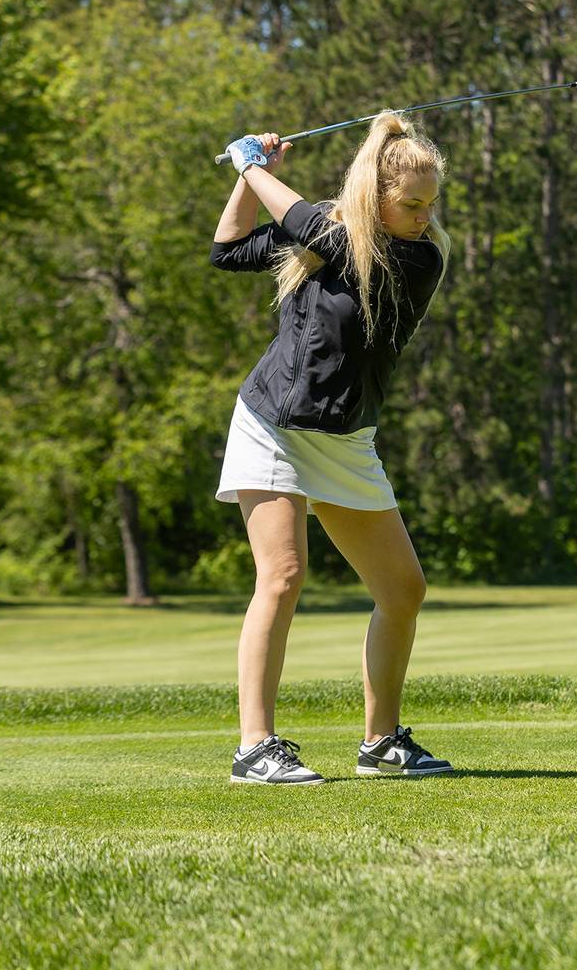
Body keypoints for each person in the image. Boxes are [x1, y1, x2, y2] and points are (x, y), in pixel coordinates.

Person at [209, 114, 455, 786]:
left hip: (347, 439)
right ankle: (254, 747)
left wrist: (251, 168)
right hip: (274, 423)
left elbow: (316, 234)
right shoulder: (328, 229)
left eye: (431, 204)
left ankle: (381, 741)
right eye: (411, 204)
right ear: (375, 196)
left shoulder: (418, 256)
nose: (424, 216)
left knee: (403, 590)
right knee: (283, 576)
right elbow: (228, 250)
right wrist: (252, 176)